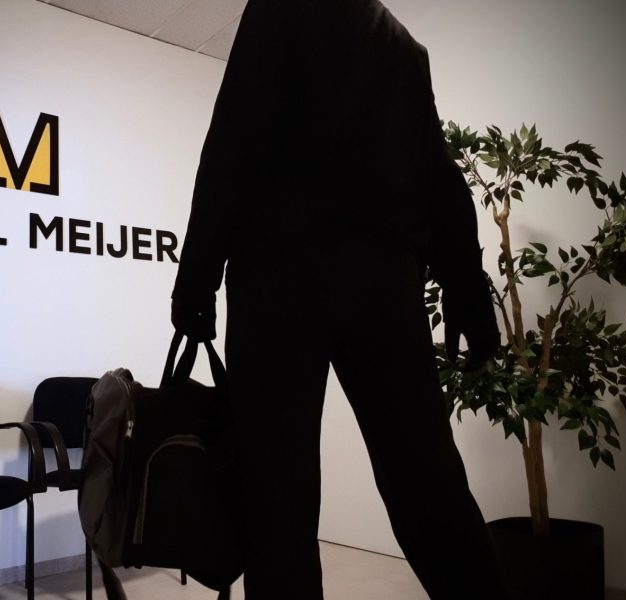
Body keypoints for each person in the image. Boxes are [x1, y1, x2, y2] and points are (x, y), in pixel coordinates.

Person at [170, 0, 509, 599]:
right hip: (383, 284)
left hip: (277, 280)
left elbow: (231, 141)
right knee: (425, 479)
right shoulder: (402, 47)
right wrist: (467, 294)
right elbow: (438, 175)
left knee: (277, 499)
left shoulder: (276, 10)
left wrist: (197, 280)